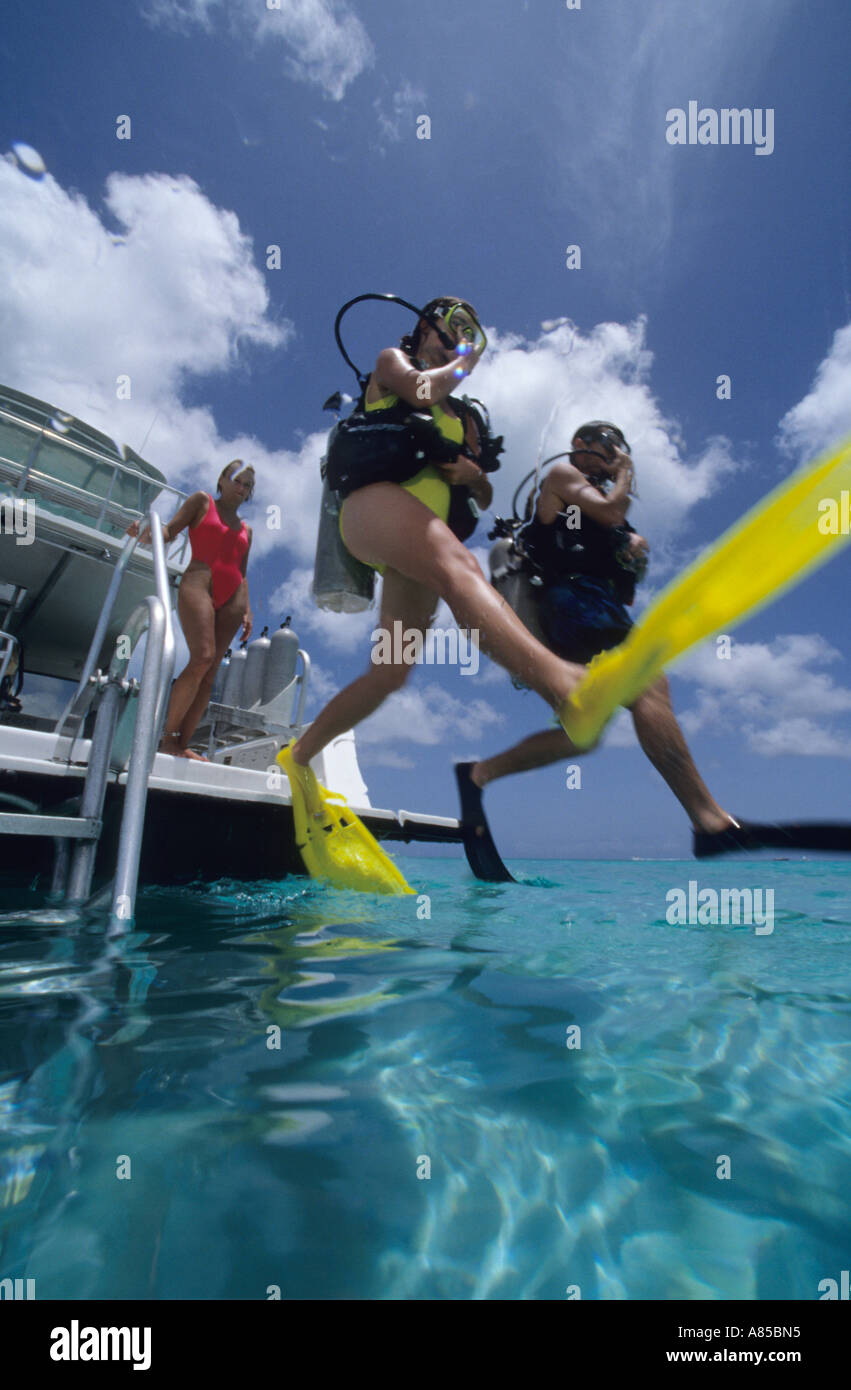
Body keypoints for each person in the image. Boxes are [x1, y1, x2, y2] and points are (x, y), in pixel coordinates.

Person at [291, 297, 591, 772]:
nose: (460, 334)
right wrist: (468, 359)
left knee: (390, 673)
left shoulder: (465, 416)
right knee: (462, 570)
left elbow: (486, 495)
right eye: (453, 324)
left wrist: (471, 474)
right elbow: (422, 391)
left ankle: (298, 756)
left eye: (470, 328)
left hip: (414, 551)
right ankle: (562, 685)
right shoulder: (394, 363)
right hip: (373, 509)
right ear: (425, 327)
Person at [455, 422, 740, 874]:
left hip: (596, 606)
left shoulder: (612, 521)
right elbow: (607, 510)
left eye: (601, 442)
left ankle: (478, 775)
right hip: (571, 601)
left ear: (615, 451)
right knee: (648, 682)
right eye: (581, 440)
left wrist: (634, 556)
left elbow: (624, 585)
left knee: (582, 734)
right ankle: (708, 819)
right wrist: (626, 475)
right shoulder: (565, 478)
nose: (586, 447)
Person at [127, 460, 254, 758]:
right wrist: (143, 533)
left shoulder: (247, 529)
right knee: (202, 658)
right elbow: (169, 531)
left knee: (210, 674)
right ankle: (167, 737)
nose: (242, 487)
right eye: (237, 480)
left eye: (248, 485)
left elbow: (243, 571)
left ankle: (181, 745)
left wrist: (247, 609)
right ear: (221, 479)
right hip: (198, 582)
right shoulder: (201, 501)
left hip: (233, 597)